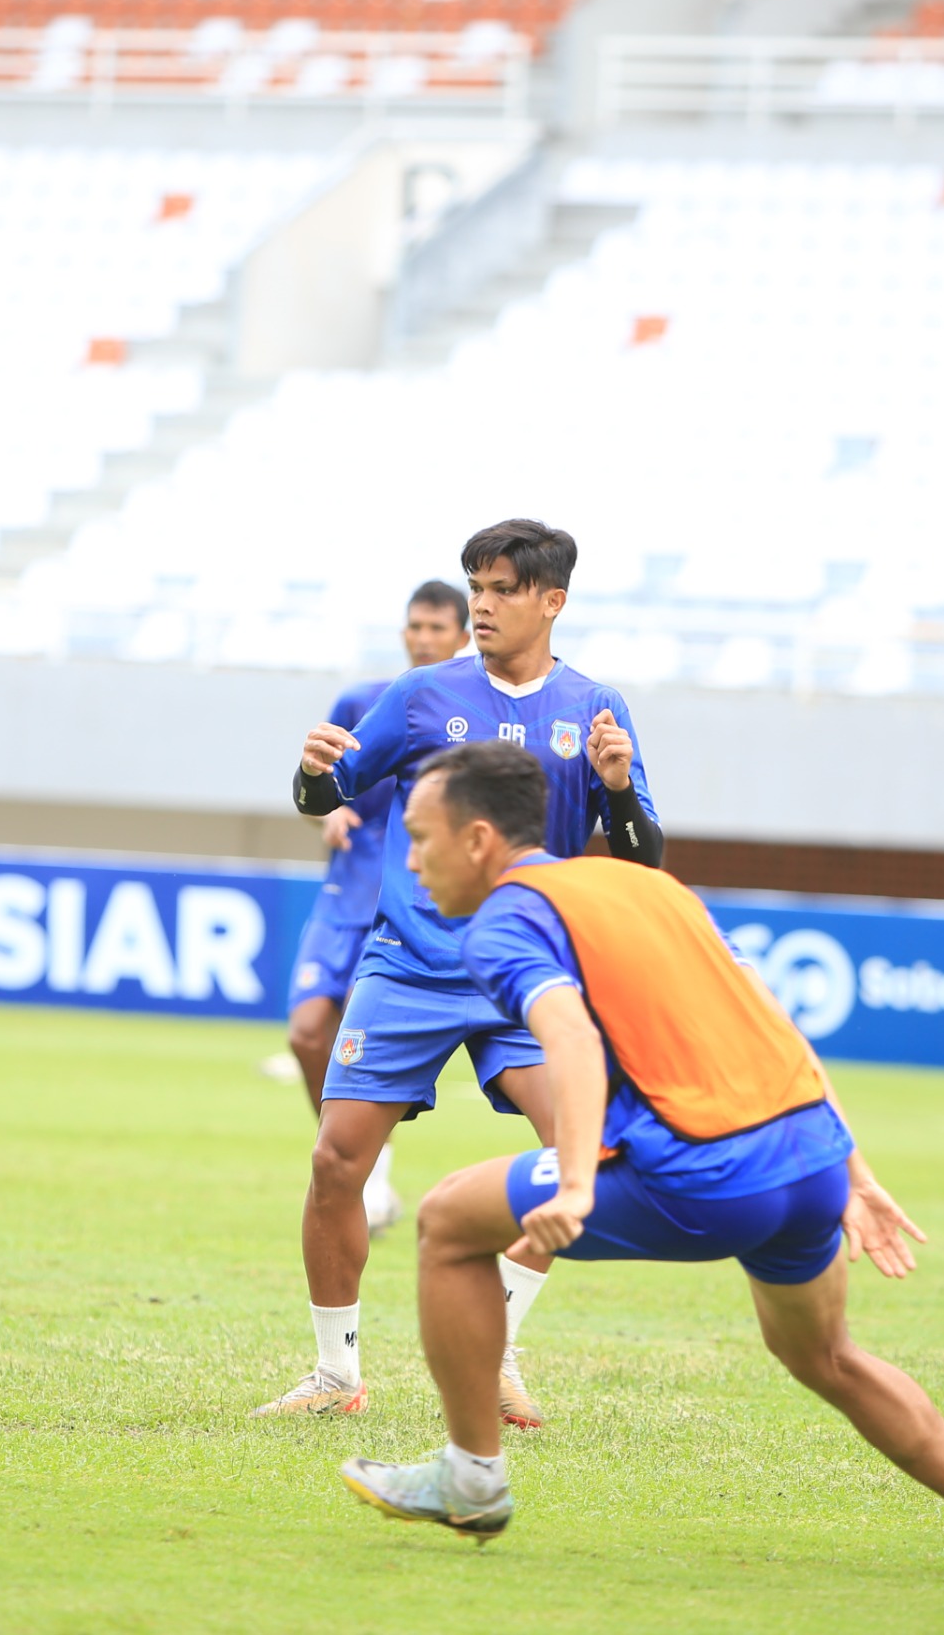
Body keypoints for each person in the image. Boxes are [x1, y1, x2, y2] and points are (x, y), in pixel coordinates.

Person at [333, 741, 944, 1576]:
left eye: (420, 839)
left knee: (448, 1218)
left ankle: (472, 1480)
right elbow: (771, 1020)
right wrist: (854, 1173)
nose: (410, 863)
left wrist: (576, 1184)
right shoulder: (653, 887)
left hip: (708, 1173)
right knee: (828, 1357)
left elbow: (569, 1036)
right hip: (809, 1163)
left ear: (478, 840)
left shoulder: (505, 920)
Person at [255, 519, 664, 1426]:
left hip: (524, 969)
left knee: (582, 1152)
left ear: (552, 601)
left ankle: (500, 1348)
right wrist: (312, 772)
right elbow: (328, 792)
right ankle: (335, 1375)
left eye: (502, 589)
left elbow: (642, 859)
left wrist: (618, 787)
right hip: (408, 964)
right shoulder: (419, 694)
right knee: (336, 1161)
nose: (482, 603)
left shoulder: (596, 707)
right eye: (476, 586)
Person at [283, 582, 472, 1235]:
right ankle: (367, 1168)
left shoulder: (472, 711)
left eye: (437, 628)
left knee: (370, 1045)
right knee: (307, 1032)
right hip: (346, 893)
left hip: (409, 903)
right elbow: (320, 788)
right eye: (415, 626)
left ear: (462, 637)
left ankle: (366, 1173)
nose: (423, 638)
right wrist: (326, 813)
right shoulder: (363, 701)